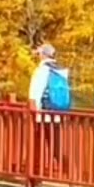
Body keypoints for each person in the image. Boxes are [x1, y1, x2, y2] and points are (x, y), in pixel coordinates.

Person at [28, 41, 70, 172]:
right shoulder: (60, 71)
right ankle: (67, 170)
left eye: (39, 53)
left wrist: (32, 113)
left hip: (42, 114)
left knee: (37, 144)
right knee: (55, 143)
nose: (38, 56)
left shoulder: (41, 71)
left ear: (43, 55)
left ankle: (36, 173)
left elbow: (33, 95)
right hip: (57, 114)